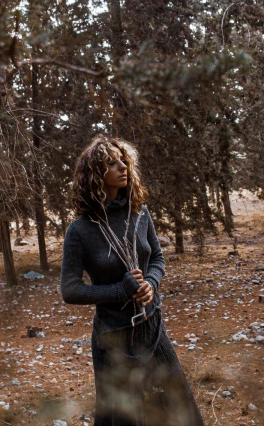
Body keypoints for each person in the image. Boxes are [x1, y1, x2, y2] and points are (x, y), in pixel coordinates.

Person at [60, 133, 205, 426]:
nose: (122, 167)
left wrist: (150, 283)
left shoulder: (140, 213)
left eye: (123, 161)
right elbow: (70, 290)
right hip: (113, 338)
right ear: (96, 174)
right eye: (112, 164)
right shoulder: (80, 231)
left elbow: (157, 259)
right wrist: (120, 290)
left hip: (152, 329)